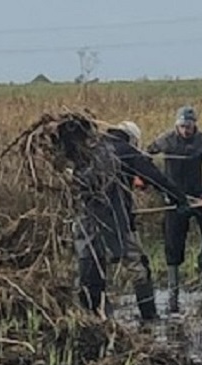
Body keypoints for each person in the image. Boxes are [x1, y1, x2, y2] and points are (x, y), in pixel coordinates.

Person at [74, 120, 191, 321]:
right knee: (139, 267)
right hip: (114, 223)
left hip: (84, 220)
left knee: (91, 269)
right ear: (133, 138)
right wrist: (179, 199)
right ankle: (149, 318)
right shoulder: (125, 149)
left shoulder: (93, 148)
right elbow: (155, 177)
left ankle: (93, 318)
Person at [146, 106, 202, 314]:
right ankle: (173, 290)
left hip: (198, 197)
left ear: (194, 125)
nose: (185, 130)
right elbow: (144, 156)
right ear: (176, 125)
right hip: (174, 198)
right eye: (182, 126)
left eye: (189, 127)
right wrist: (142, 177)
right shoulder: (165, 140)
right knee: (173, 244)